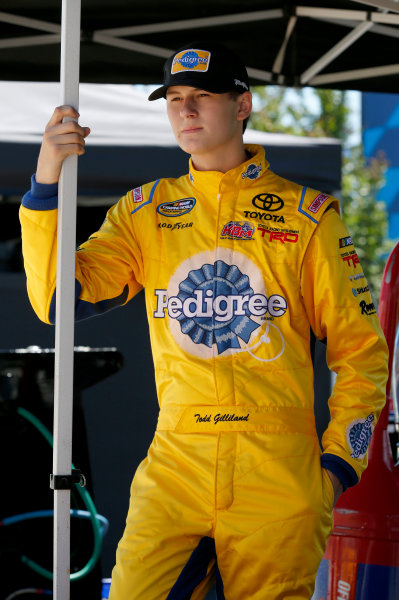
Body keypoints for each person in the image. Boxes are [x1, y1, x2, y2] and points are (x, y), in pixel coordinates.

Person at [20, 41, 388, 599]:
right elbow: (56, 302)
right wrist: (46, 185)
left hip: (279, 473)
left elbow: (362, 354)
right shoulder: (144, 211)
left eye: (202, 97)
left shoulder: (309, 217)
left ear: (242, 105)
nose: (186, 111)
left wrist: (338, 466)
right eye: (174, 98)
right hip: (177, 464)